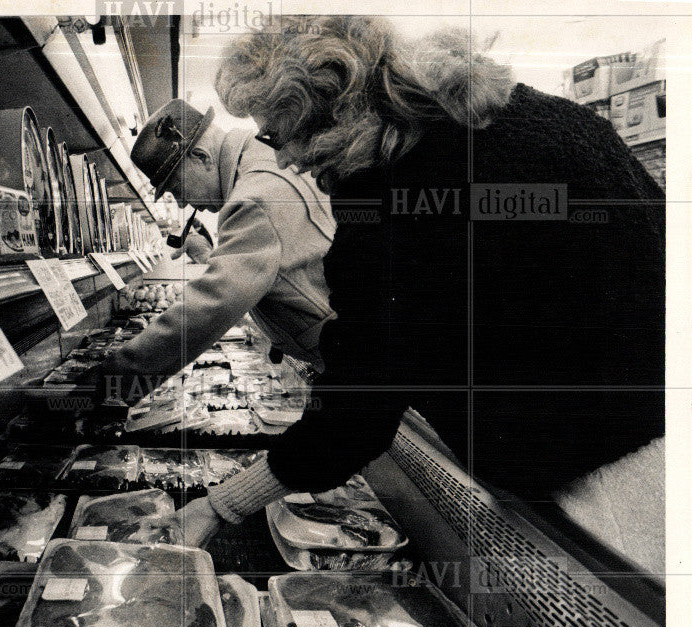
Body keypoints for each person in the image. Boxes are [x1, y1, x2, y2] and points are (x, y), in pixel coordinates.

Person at [179, 16, 666, 544]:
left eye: (278, 133)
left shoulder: (399, 198)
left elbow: (364, 398)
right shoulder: (541, 119)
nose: (286, 159)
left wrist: (221, 505)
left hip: (602, 491)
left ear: (327, 111)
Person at [91, 99, 336, 404]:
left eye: (174, 186)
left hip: (347, 358)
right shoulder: (261, 157)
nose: (180, 203)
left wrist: (110, 383)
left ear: (201, 156)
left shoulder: (253, 197)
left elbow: (211, 306)